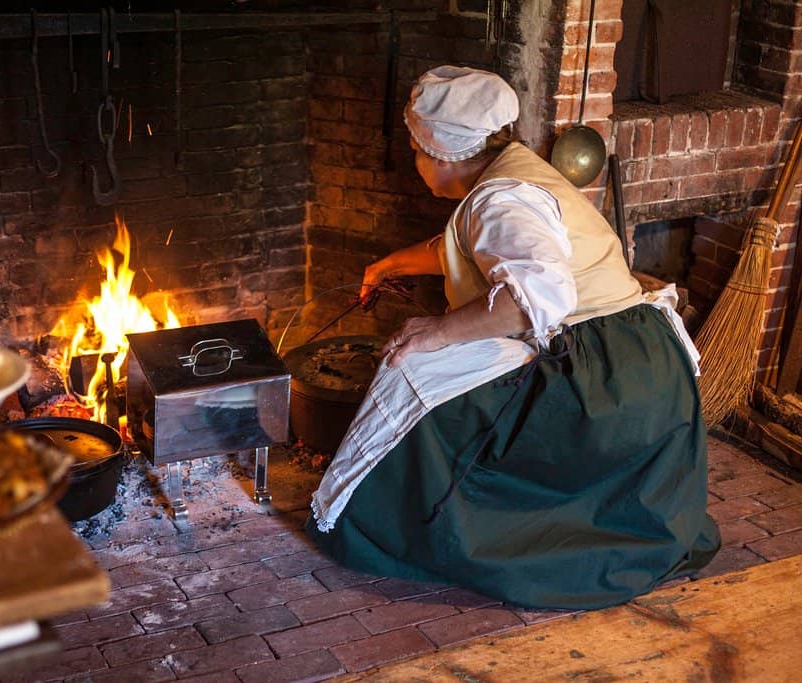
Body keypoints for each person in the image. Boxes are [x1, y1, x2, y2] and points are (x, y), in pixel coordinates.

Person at [305, 65, 719, 611]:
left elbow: (536, 296)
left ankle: (415, 524)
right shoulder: (513, 172)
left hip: (603, 381)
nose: (415, 162)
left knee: (415, 372)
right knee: (441, 361)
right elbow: (467, 247)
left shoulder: (501, 198)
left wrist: (437, 332)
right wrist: (389, 265)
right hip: (645, 362)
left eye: (415, 151)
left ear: (441, 156)